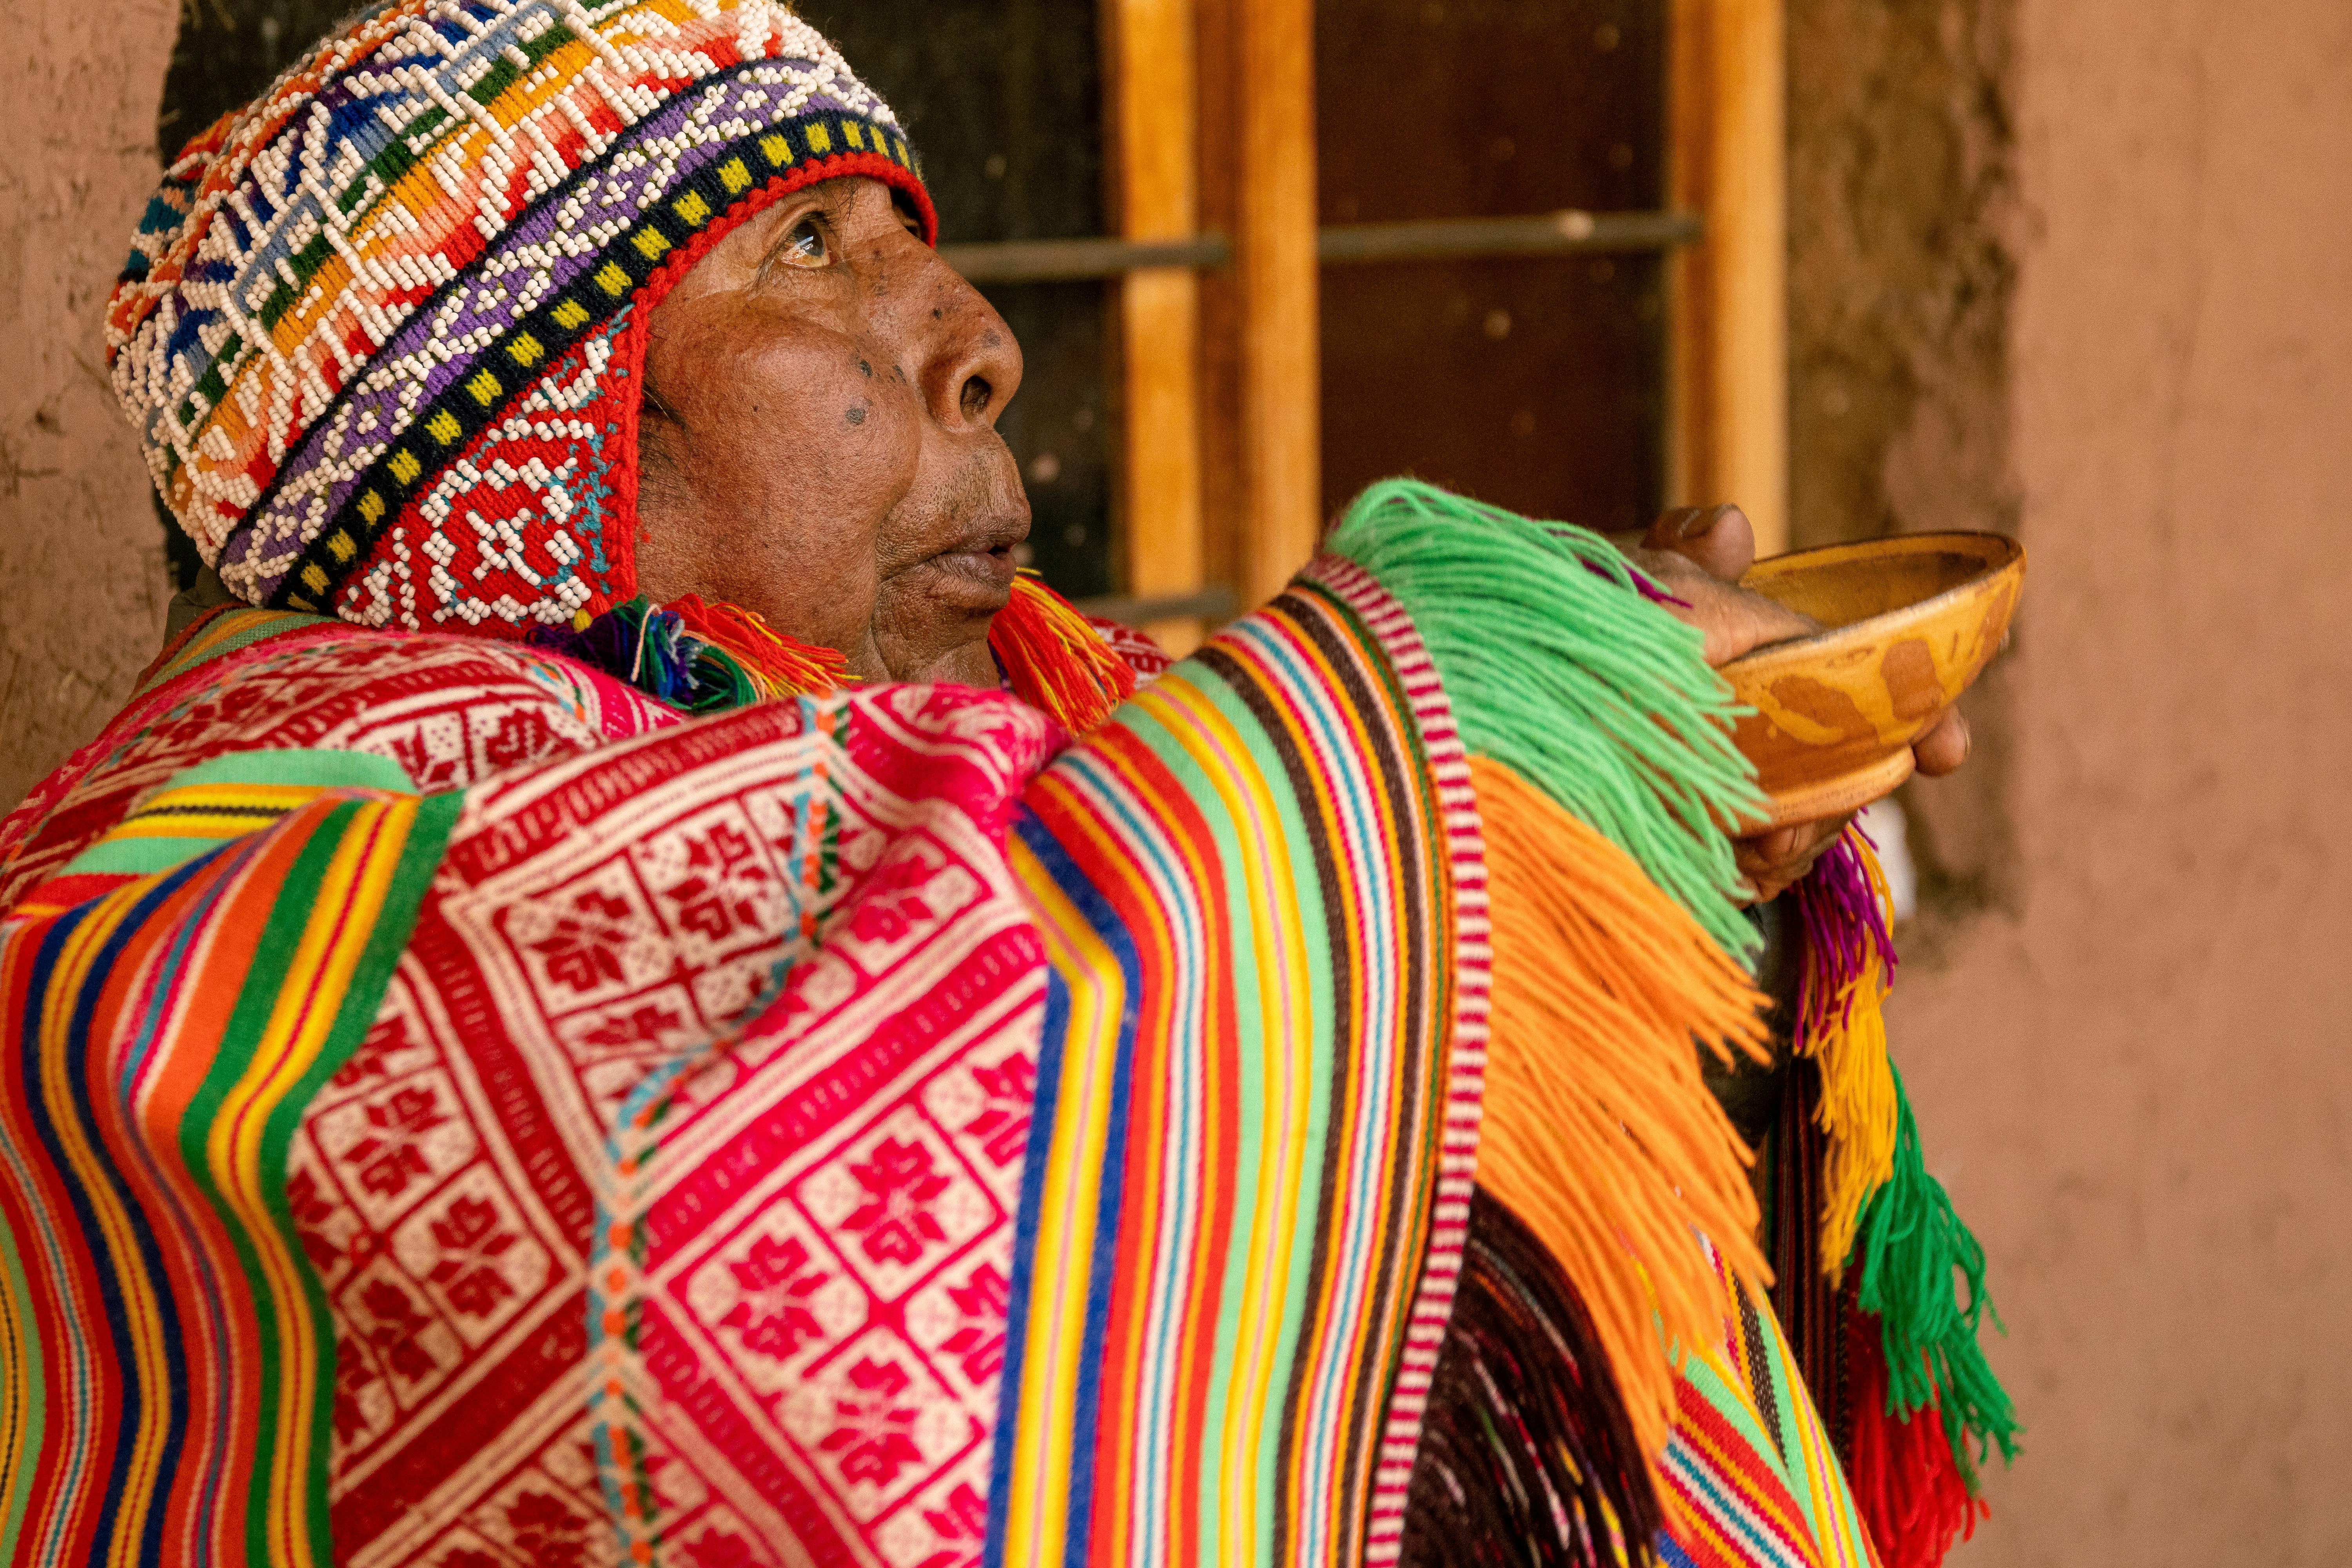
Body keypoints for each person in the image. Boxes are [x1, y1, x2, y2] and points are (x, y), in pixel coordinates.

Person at [0, 4, 2011, 1566]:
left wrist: (1635, 854)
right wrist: (1458, 729)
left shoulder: (894, 753)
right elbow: (731, 1241)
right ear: (541, 429)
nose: (978, 345)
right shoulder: (234, 866)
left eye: (921, 245)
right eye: (813, 248)